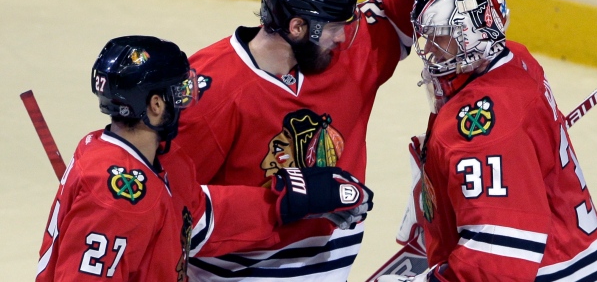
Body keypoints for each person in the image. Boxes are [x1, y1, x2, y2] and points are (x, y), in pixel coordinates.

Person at [167, 0, 479, 281]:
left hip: (331, 265)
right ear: (298, 27)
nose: (343, 38)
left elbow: (393, 16)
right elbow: (168, 207)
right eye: (333, 28)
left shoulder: (341, 54)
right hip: (238, 272)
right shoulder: (209, 95)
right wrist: (282, 203)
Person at [36, 36, 373, 281]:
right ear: (154, 105)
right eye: (180, 92)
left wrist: (288, 201)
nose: (190, 98)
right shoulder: (117, 199)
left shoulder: (163, 161)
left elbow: (198, 216)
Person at [380, 0, 597, 281]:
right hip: (573, 251)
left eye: (442, 36)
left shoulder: (480, 131)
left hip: (549, 272)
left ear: (475, 33)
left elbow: (496, 261)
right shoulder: (515, 59)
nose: (430, 50)